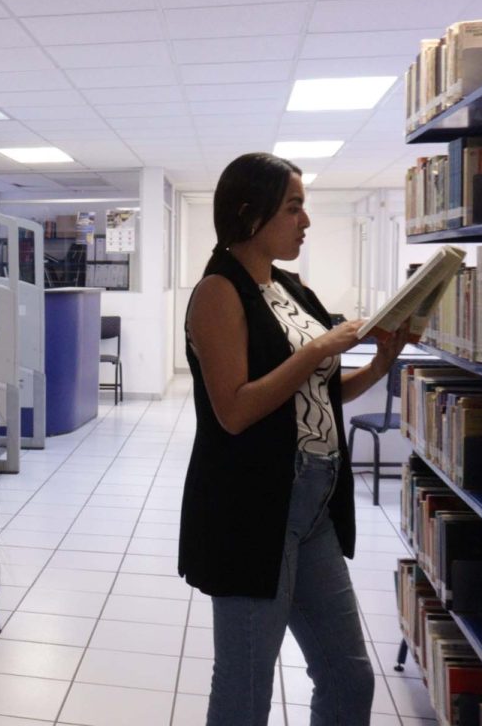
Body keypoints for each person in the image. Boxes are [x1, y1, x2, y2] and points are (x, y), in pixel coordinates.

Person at [178, 152, 409, 726]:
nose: (304, 222)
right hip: (253, 510)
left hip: (314, 507)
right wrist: (318, 349)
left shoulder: (291, 288)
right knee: (245, 689)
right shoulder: (217, 292)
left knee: (348, 676)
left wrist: (380, 364)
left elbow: (319, 395)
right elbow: (233, 410)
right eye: (293, 208)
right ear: (248, 212)